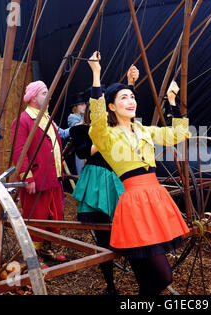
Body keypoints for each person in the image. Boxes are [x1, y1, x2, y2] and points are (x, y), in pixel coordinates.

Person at [87, 51, 190, 295]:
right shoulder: (105, 134)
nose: (131, 101)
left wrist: (173, 104)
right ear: (112, 105)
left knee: (150, 279)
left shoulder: (143, 129)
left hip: (155, 199)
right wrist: (96, 73)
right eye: (124, 98)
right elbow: (97, 119)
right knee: (163, 276)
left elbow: (179, 135)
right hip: (134, 204)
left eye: (132, 97)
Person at [70, 65, 139, 295]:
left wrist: (130, 84)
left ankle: (141, 276)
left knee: (128, 230)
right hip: (97, 184)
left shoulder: (112, 127)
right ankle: (110, 285)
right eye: (92, 106)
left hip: (117, 181)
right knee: (102, 238)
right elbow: (81, 153)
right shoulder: (81, 129)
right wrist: (102, 140)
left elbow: (126, 114)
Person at [10, 80, 66, 264]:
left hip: (53, 179)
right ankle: (33, 260)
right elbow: (19, 151)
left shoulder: (46, 118)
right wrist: (27, 177)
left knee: (54, 216)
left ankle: (46, 252)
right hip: (38, 180)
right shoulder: (23, 121)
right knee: (36, 218)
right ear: (33, 98)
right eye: (44, 93)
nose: (48, 96)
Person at [68, 93, 87, 175]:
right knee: (81, 173)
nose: (84, 106)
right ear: (75, 107)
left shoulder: (84, 116)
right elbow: (76, 130)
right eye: (81, 105)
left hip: (88, 146)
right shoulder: (72, 117)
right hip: (80, 147)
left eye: (84, 104)